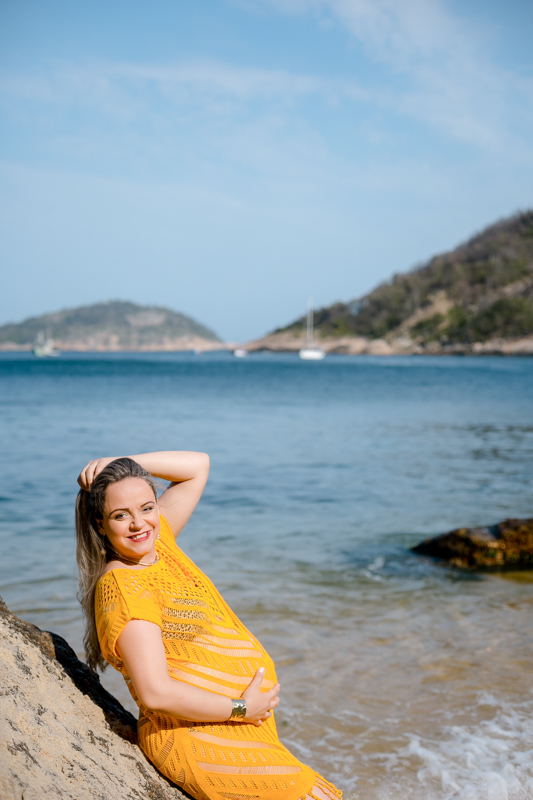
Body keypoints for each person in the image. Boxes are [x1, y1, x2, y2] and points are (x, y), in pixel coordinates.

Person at [76, 451, 342, 800]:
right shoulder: (126, 588)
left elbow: (197, 466)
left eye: (147, 507)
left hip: (231, 727)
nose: (139, 524)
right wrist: (242, 708)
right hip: (197, 739)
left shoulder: (160, 544)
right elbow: (156, 693)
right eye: (120, 515)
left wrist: (120, 460)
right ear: (100, 525)